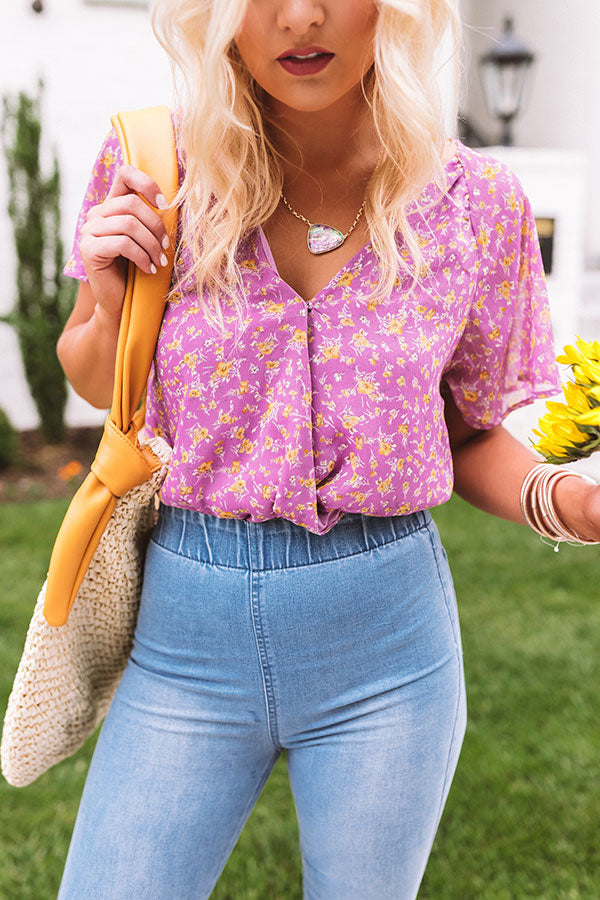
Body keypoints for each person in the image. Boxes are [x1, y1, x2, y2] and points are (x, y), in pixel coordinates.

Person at [55, 1, 600, 897]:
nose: (301, 16)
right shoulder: (156, 167)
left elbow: (467, 431)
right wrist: (115, 302)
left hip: (388, 649)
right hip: (185, 640)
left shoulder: (472, 202)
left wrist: (571, 502)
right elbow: (92, 377)